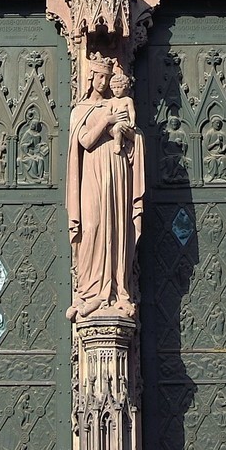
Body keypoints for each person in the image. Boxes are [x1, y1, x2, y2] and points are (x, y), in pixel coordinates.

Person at [66, 58, 144, 318]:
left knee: (117, 226)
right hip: (92, 172)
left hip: (117, 168)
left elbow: (135, 135)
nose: (104, 82)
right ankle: (89, 291)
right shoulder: (81, 110)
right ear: (90, 78)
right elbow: (86, 142)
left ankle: (116, 291)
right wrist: (106, 120)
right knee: (93, 226)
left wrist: (129, 133)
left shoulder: (119, 103)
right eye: (100, 77)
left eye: (108, 78)